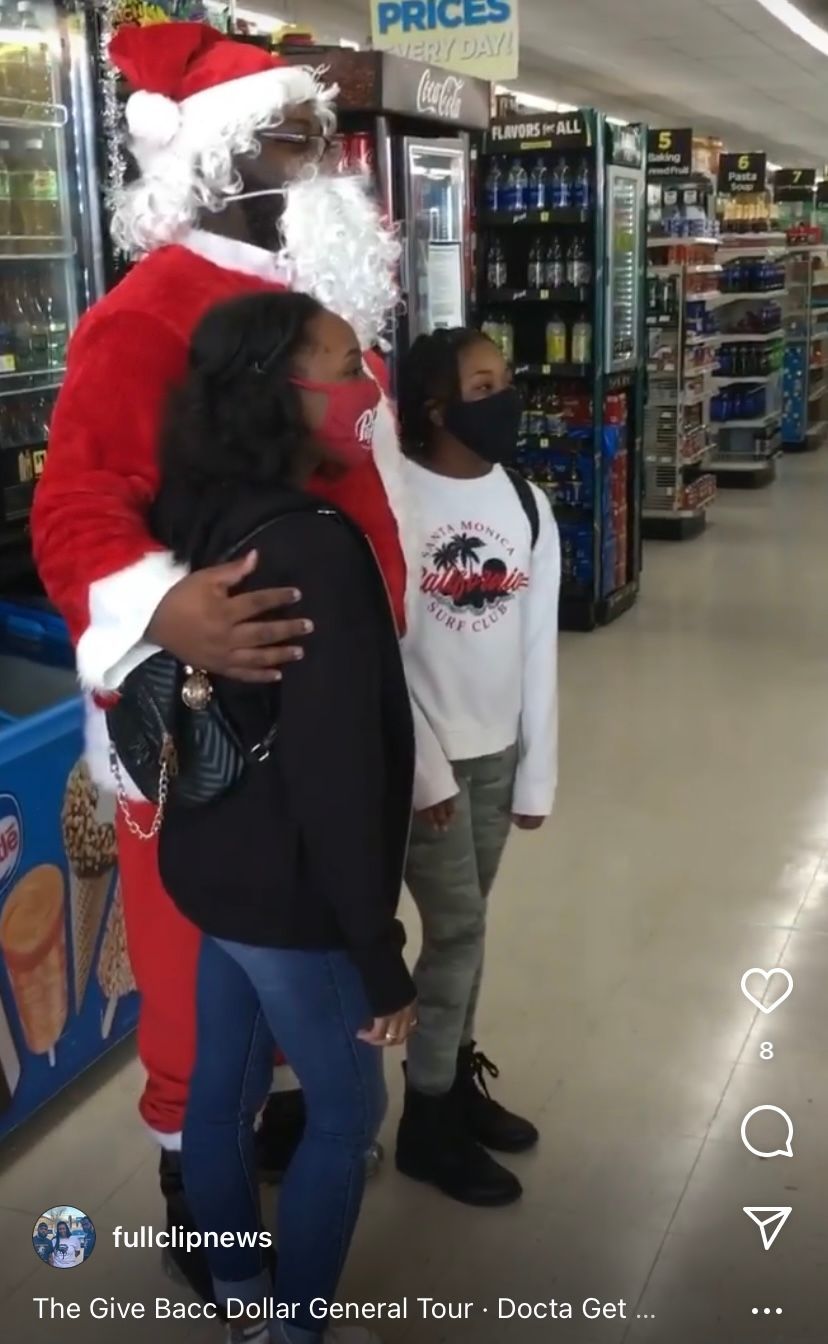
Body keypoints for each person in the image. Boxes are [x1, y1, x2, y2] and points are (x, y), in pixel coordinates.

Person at [31, 22, 406, 1301]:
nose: (331, 160)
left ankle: (273, 1118)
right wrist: (164, 612)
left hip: (325, 700)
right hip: (204, 720)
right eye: (304, 138)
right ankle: (199, 1184)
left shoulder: (319, 301)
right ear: (223, 159)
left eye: (326, 135)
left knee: (303, 936)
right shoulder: (143, 319)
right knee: (205, 962)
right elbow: (76, 512)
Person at [152, 290, 416, 1344]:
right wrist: (379, 949)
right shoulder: (317, 545)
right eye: (345, 363)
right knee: (347, 1112)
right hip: (295, 892)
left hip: (213, 860)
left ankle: (243, 1305)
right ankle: (295, 1333)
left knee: (219, 1096)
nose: (366, 385)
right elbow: (338, 770)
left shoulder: (204, 506)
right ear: (276, 387)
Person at [394, 328, 560, 1207]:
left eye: (507, 381)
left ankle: (452, 1082)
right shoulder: (392, 500)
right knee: (455, 935)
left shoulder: (527, 505)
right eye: (483, 384)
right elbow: (384, 656)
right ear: (435, 407)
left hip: (495, 757)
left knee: (469, 932)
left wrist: (537, 776)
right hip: (424, 768)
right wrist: (429, 777)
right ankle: (427, 1124)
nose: (505, 398)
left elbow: (538, 654)